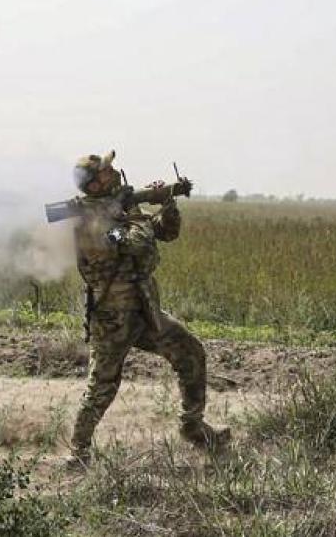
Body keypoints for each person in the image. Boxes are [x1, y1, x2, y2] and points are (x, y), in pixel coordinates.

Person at [68, 150, 229, 463]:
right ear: (94, 184)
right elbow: (136, 240)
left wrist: (168, 204)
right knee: (103, 386)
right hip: (113, 316)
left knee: (190, 351)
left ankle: (193, 428)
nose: (113, 171)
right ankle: (78, 453)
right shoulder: (90, 218)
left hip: (144, 309)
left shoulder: (117, 205)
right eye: (106, 170)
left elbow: (165, 232)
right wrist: (137, 209)